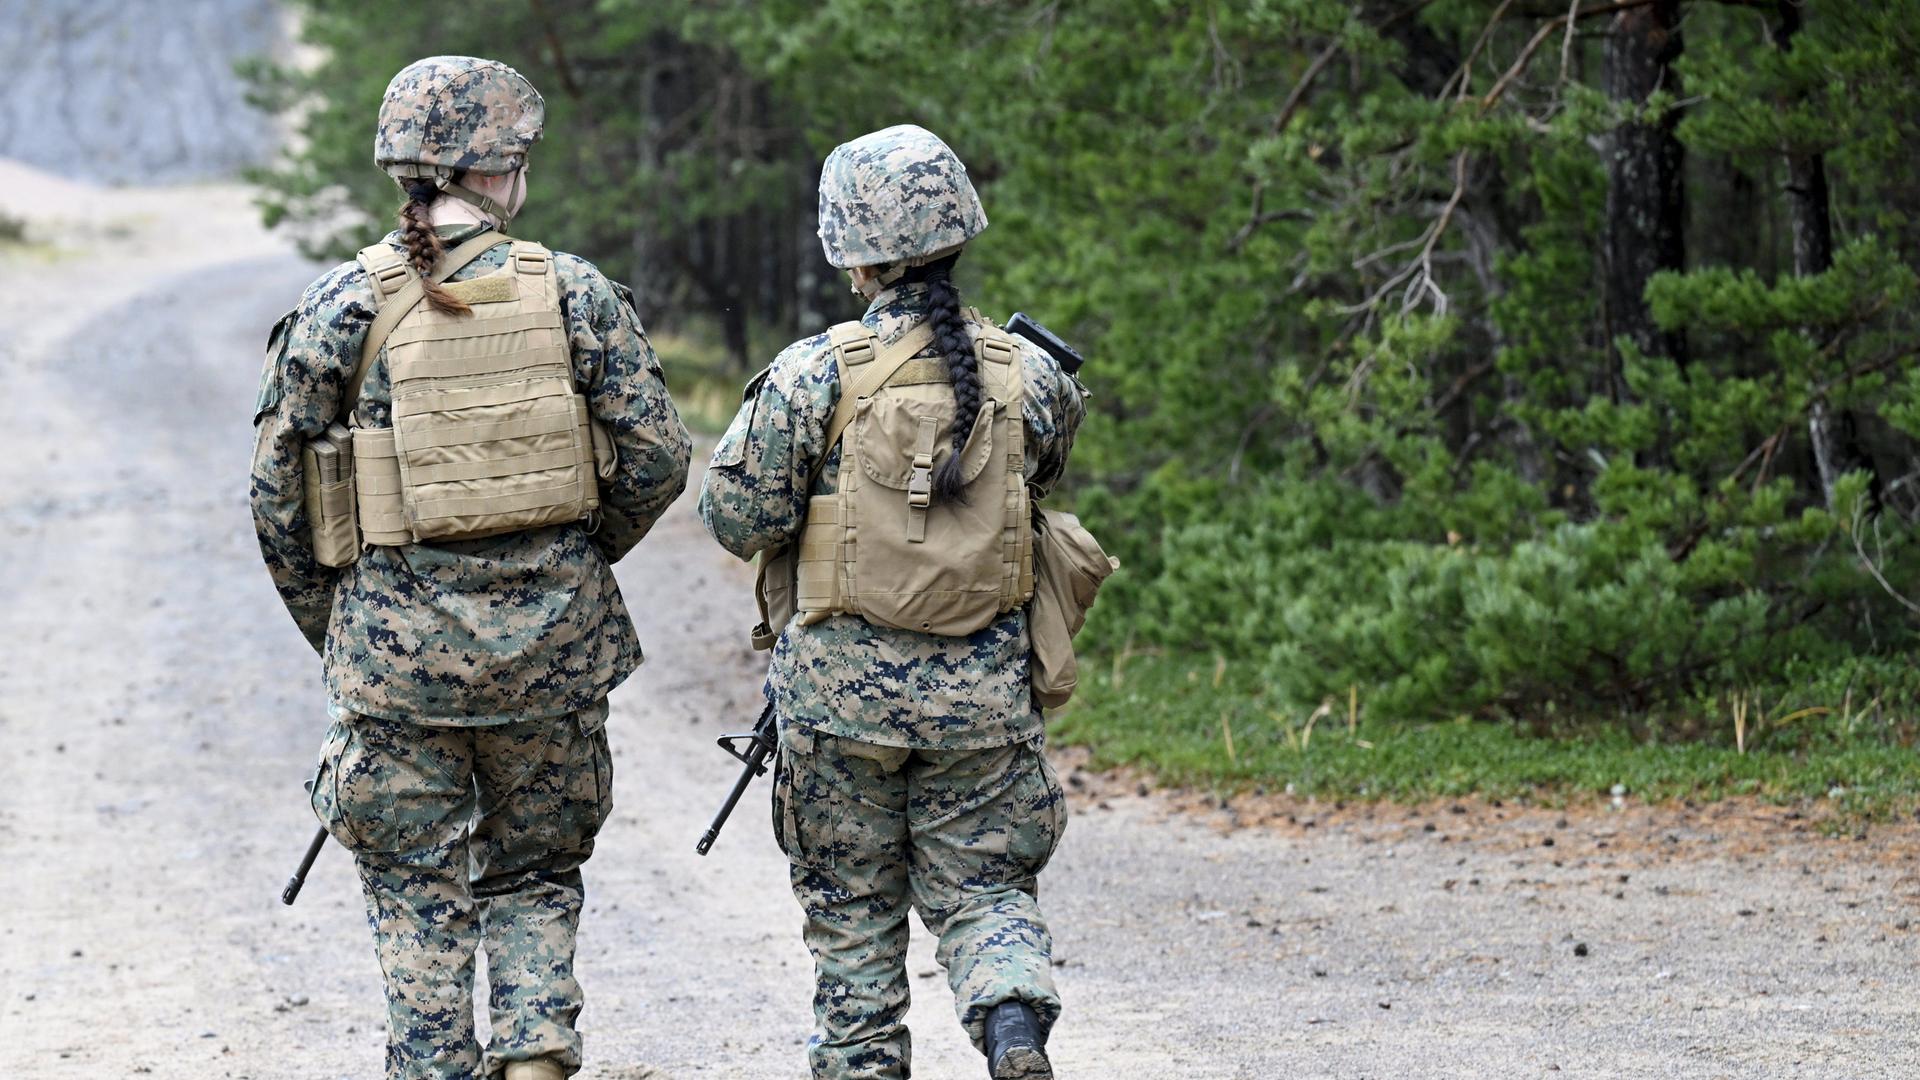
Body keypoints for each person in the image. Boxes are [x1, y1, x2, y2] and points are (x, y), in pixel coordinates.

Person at [249, 55, 691, 1080]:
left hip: (395, 665)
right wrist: (571, 555)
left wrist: (346, 621)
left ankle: (435, 1061)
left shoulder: (339, 307)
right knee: (536, 870)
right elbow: (660, 459)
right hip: (552, 653)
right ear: (499, 171)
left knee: (413, 884)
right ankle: (536, 1048)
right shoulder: (573, 293)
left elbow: (276, 498)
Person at [699, 124, 1086, 1080]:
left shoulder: (811, 375)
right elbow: (1043, 481)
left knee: (852, 910)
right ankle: (1008, 1021)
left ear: (852, 255)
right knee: (988, 887)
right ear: (961, 230)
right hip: (983, 702)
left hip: (839, 705)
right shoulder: (1030, 376)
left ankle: (865, 1062)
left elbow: (736, 514)